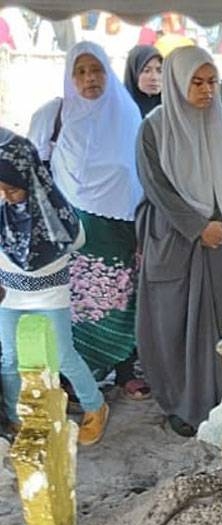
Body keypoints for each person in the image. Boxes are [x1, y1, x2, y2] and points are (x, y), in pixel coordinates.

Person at [134, 46, 222, 437]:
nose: (205, 91)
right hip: (173, 239)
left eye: (211, 82)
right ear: (177, 83)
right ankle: (180, 405)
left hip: (221, 240)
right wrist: (197, 225)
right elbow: (157, 186)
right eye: (196, 83)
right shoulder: (154, 128)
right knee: (172, 324)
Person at [27, 41, 146, 400]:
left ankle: (124, 370)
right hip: (72, 227)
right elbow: (32, 170)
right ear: (69, 76)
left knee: (122, 297)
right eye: (80, 71)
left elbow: (143, 174)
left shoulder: (128, 114)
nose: (89, 78)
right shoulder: (54, 115)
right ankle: (72, 378)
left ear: (108, 72)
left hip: (121, 227)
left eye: (96, 70)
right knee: (75, 302)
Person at [0, 130, 109, 445]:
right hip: (10, 295)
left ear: (30, 180)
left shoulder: (55, 210)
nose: (8, 196)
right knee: (9, 358)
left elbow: (77, 241)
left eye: (14, 190)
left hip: (50, 294)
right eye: (2, 189)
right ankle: (15, 415)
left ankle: (95, 406)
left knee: (63, 354)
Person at [123, 45, 163, 117]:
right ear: (134, 73)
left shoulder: (171, 106)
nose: (154, 77)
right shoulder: (121, 107)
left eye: (159, 70)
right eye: (147, 71)